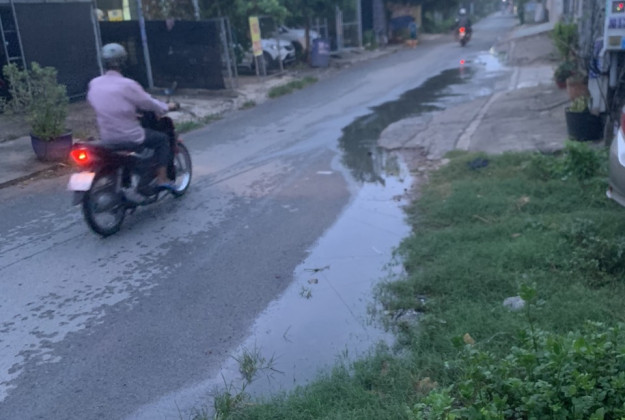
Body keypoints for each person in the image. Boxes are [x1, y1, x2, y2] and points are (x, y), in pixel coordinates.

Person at [87, 43, 178, 190]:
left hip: (107, 137)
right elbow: (148, 102)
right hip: (130, 136)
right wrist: (166, 107)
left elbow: (98, 103)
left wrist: (128, 111)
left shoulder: (94, 83)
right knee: (162, 140)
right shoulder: (128, 84)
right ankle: (162, 179)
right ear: (124, 61)